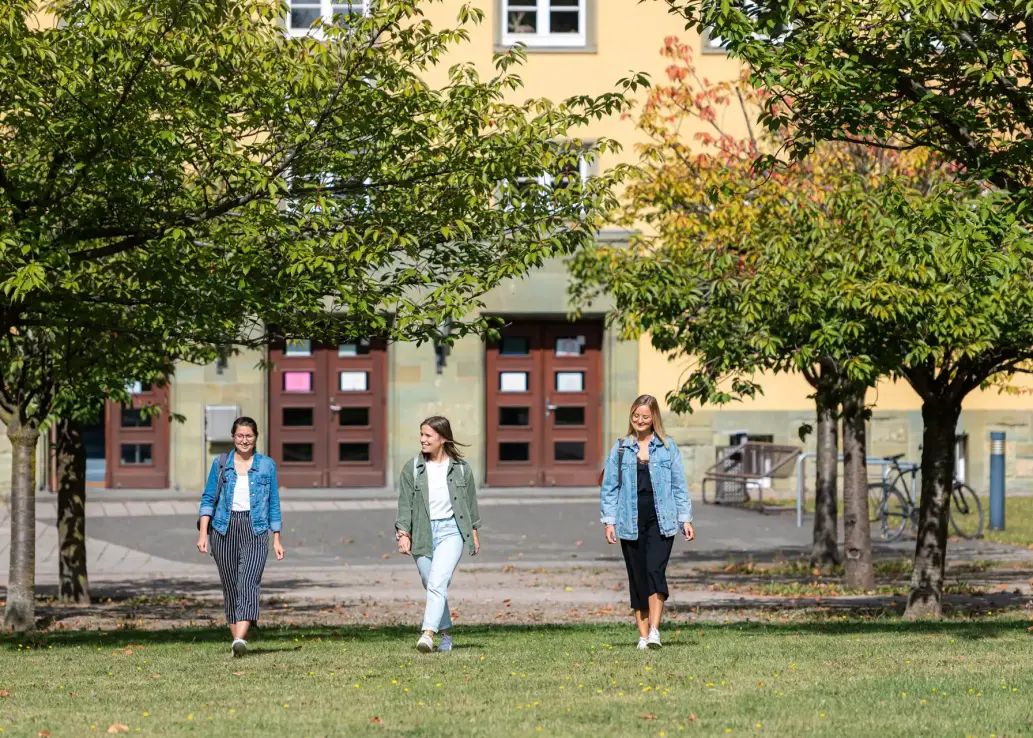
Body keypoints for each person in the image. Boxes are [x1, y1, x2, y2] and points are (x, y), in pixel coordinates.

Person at [600, 395, 694, 649]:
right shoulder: (620, 448)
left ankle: (655, 631)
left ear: (654, 419)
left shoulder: (666, 446)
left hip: (662, 519)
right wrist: (609, 522)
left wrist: (685, 518)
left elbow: (679, 485)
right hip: (629, 521)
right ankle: (642, 636)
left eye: (645, 417)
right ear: (631, 417)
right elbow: (610, 488)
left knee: (655, 571)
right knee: (637, 576)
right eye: (636, 416)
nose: (640, 421)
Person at [196, 416, 285, 657]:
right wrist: (203, 533)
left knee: (248, 582)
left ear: (256, 437)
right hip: (224, 528)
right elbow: (207, 499)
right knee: (231, 587)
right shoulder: (221, 463)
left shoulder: (267, 465)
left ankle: (239, 638)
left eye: (249, 436)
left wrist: (276, 537)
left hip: (256, 529)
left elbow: (274, 503)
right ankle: (238, 641)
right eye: (240, 436)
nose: (244, 440)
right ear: (233, 437)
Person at [395, 416, 481, 653]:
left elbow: (470, 504)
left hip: (452, 531)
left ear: (442, 438)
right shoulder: (412, 468)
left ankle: (427, 634)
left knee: (438, 581)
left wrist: (473, 532)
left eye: (428, 435)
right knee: (432, 584)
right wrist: (403, 533)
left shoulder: (461, 469)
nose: (422, 439)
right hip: (422, 531)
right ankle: (446, 635)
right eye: (421, 434)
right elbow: (405, 504)